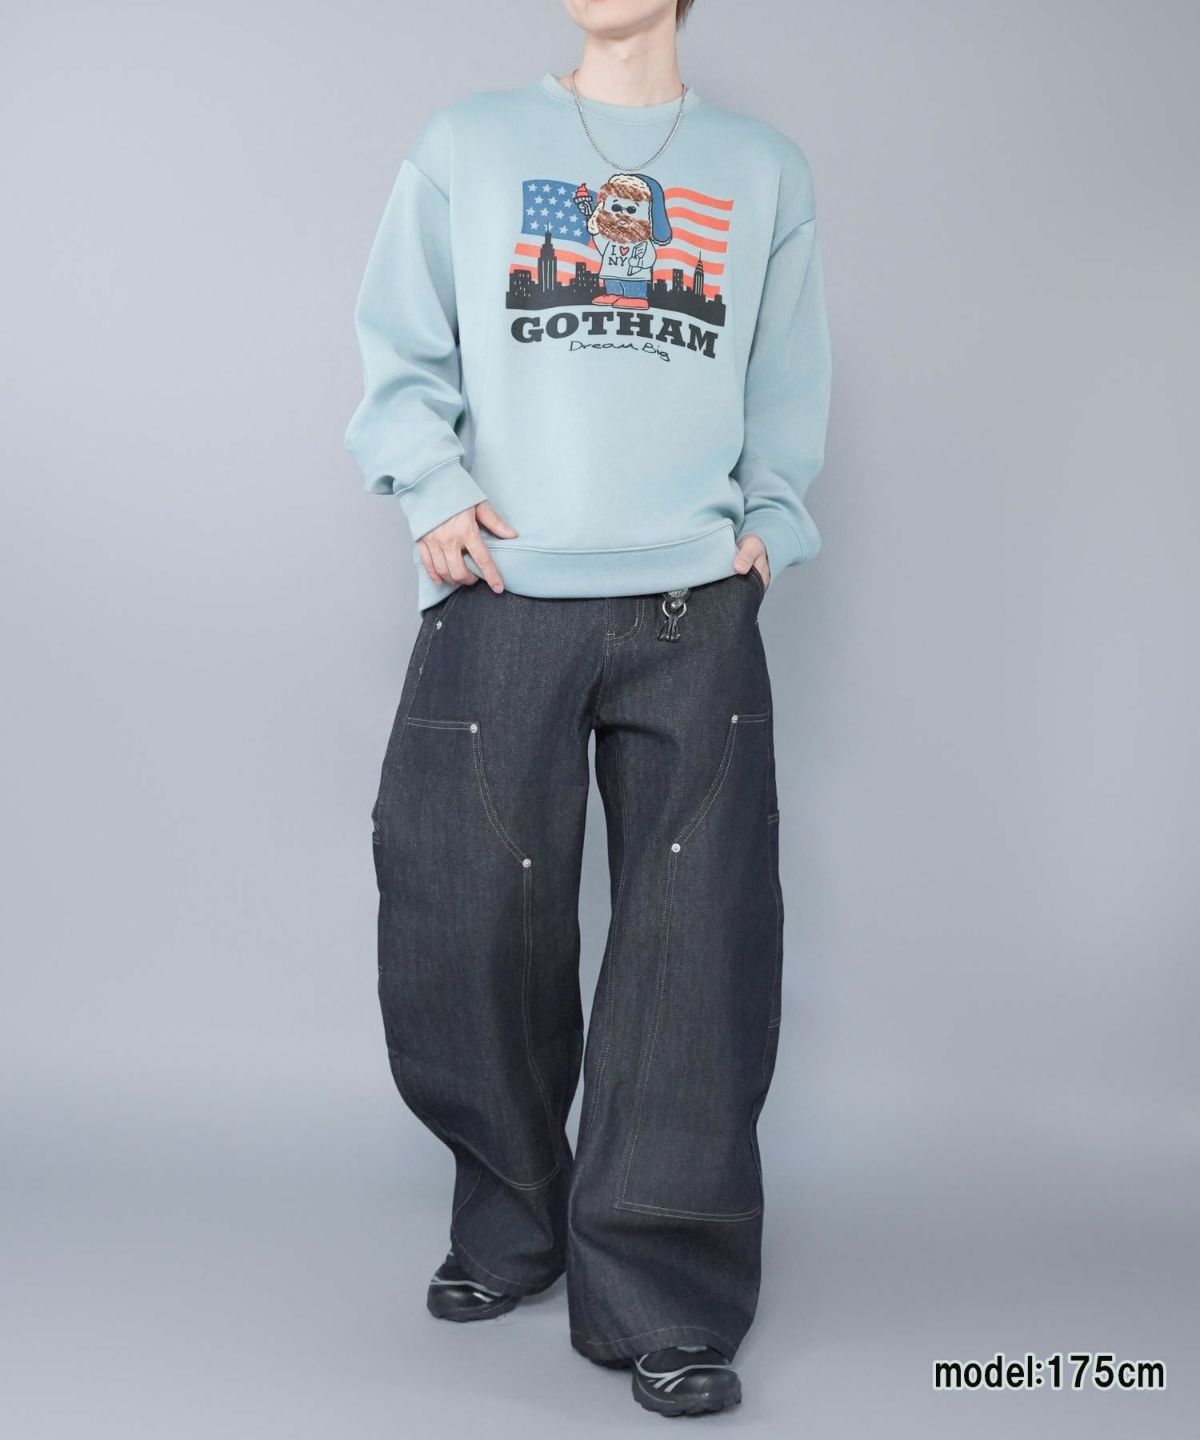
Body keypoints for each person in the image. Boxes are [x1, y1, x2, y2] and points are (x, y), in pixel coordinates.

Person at [343, 0, 831, 1418]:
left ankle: (664, 1290)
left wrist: (772, 520)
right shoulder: (470, 142)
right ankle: (511, 1214)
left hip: (692, 607)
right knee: (460, 923)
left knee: (697, 951)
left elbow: (788, 369)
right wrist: (430, 491)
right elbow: (399, 338)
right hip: (503, 593)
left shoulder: (762, 169)